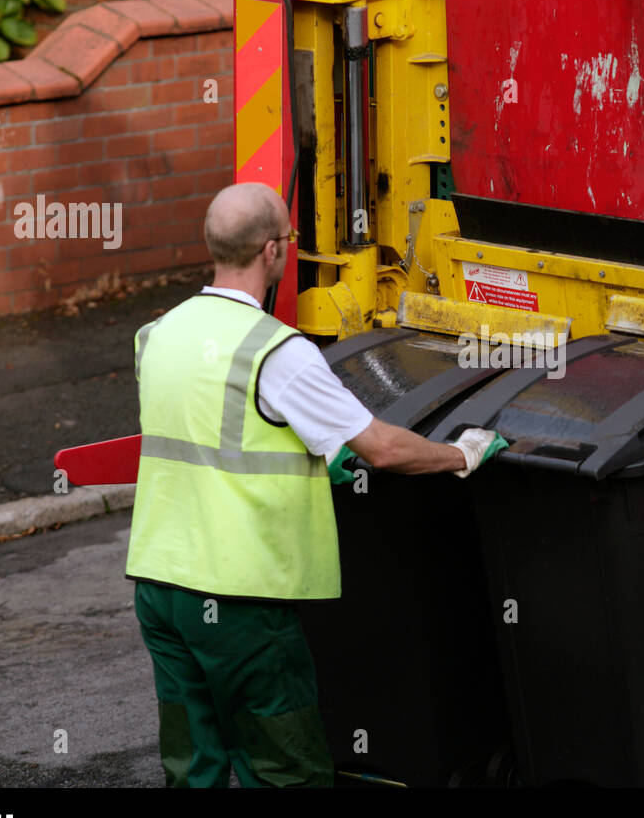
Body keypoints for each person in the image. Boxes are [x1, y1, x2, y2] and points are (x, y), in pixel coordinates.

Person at [125, 182, 505, 787]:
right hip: (239, 594)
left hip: (158, 583)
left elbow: (212, 433)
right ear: (274, 251)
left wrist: (307, 457)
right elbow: (381, 448)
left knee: (193, 764)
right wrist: (458, 455)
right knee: (284, 767)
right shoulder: (275, 352)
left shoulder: (158, 335)